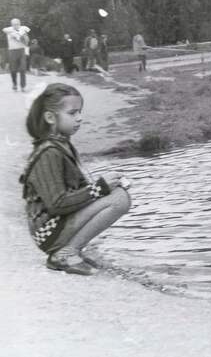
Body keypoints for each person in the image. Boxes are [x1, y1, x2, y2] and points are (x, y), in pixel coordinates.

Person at [19, 83, 131, 275]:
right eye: (72, 113)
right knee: (119, 199)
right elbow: (57, 203)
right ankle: (65, 253)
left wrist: (105, 185)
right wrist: (99, 188)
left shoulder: (61, 144)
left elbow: (77, 190)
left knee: (118, 193)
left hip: (57, 223)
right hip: (48, 232)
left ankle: (71, 250)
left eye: (80, 112)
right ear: (50, 117)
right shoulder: (49, 152)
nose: (80, 118)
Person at [2, 18, 30, 91]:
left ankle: (23, 86)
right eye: (14, 24)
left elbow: (27, 41)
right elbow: (4, 29)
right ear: (11, 24)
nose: (16, 25)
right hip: (12, 51)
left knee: (23, 69)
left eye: (17, 24)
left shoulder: (23, 29)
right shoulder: (9, 29)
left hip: (21, 50)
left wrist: (23, 36)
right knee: (13, 70)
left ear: (20, 24)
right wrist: (15, 33)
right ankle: (14, 84)